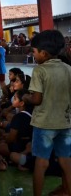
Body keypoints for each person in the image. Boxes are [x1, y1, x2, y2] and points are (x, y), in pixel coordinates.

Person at [22, 30, 71, 196]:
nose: (34, 56)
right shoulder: (68, 69)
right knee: (65, 160)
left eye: (34, 52)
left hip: (44, 124)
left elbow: (37, 99)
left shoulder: (39, 71)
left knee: (41, 162)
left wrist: (26, 98)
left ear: (43, 53)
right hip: (65, 122)